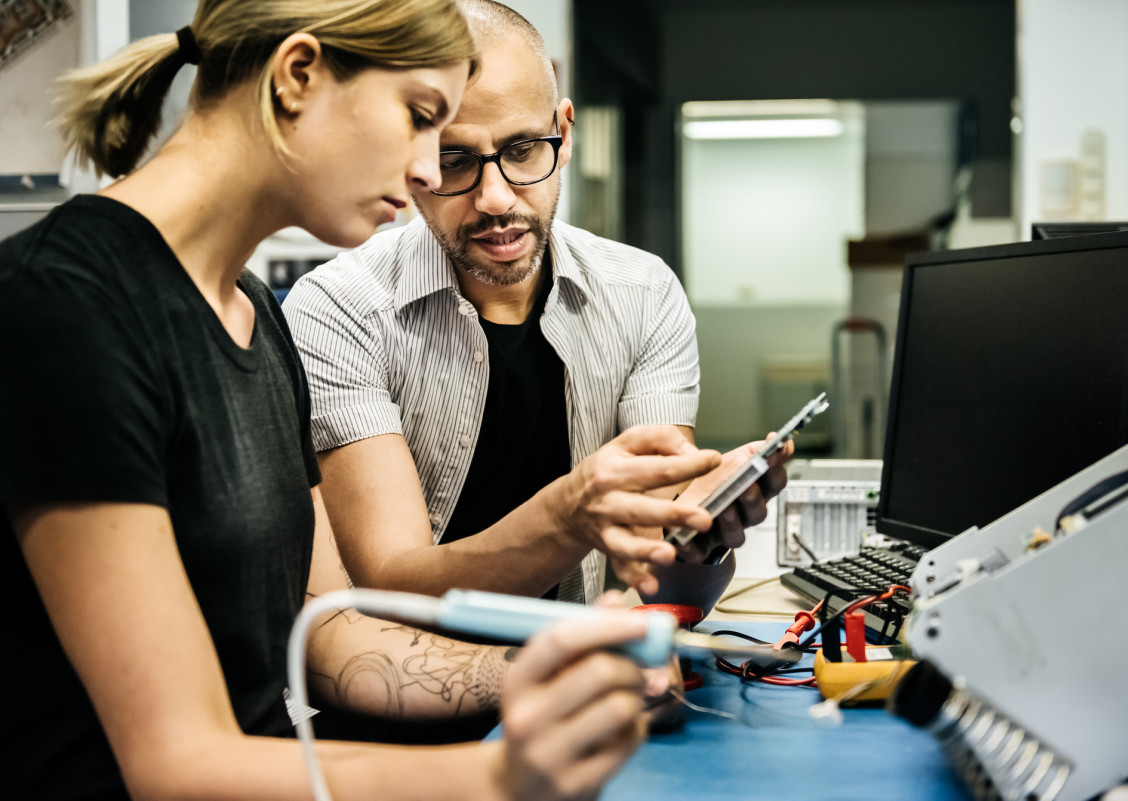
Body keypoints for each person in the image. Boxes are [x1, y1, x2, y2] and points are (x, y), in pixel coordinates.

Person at [0, 2, 714, 798]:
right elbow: (179, 762)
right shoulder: (66, 309)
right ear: (298, 77)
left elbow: (332, 634)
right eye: (420, 121)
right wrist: (494, 775)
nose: (422, 174)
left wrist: (551, 671)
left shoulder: (253, 316)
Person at [283, 0, 790, 613]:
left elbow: (658, 563)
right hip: (401, 688)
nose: (495, 199)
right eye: (454, 160)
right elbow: (390, 588)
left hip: (572, 676)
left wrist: (700, 538)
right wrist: (570, 516)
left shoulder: (643, 294)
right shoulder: (339, 308)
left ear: (565, 132)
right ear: (412, 158)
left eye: (523, 149)